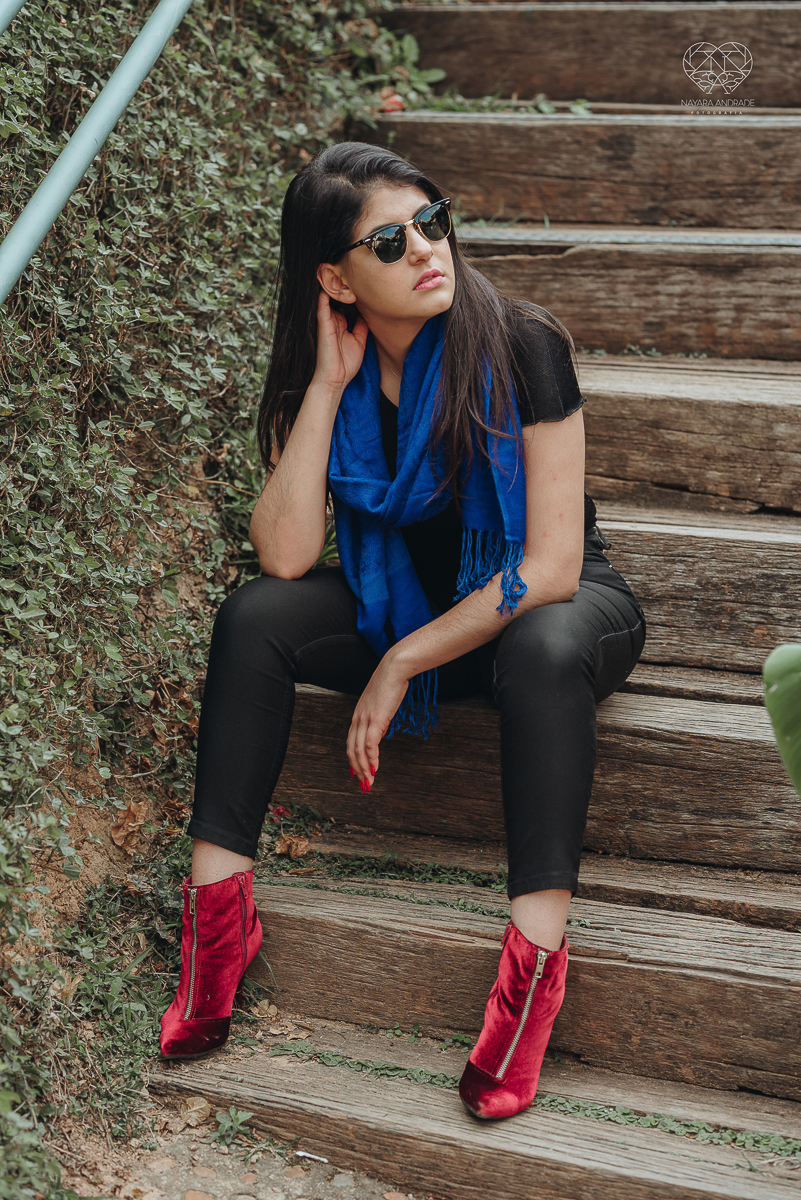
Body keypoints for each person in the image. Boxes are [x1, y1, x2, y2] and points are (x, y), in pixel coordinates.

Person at [159, 142, 646, 1120]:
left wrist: (401, 662)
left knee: (545, 646)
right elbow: (287, 557)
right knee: (255, 614)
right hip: (409, 613)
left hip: (552, 611)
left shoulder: (522, 344)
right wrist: (330, 386)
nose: (428, 248)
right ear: (336, 278)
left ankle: (530, 979)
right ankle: (217, 938)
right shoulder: (331, 374)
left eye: (434, 221)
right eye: (391, 240)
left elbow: (547, 569)